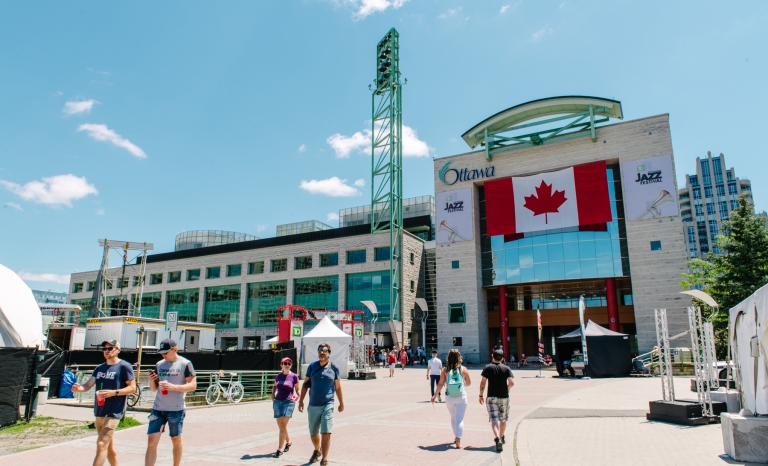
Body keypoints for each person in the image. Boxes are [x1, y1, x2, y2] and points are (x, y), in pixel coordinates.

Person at [71, 339, 135, 466]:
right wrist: (79, 388)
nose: (106, 351)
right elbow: (88, 385)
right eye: (104, 349)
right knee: (108, 447)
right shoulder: (100, 368)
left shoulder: (124, 366)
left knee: (101, 444)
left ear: (118, 350)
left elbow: (132, 388)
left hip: (113, 412)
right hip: (100, 411)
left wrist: (114, 392)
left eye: (110, 348)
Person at [146, 339, 197, 466]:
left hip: (176, 409)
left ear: (175, 349)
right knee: (151, 441)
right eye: (161, 353)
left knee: (176, 439)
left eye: (165, 352)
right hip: (158, 408)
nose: (163, 355)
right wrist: (151, 380)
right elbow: (154, 389)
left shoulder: (185, 363)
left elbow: (193, 386)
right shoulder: (159, 364)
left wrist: (173, 387)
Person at [298, 343, 345, 466]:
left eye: (324, 351)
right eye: (320, 350)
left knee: (326, 431)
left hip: (328, 403)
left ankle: (325, 458)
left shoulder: (334, 368)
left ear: (329, 353)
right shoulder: (312, 366)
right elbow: (306, 384)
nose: (322, 352)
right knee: (313, 433)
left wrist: (341, 403)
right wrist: (301, 400)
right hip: (313, 404)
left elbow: (338, 387)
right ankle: (317, 449)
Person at [431, 349, 471, 449]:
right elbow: (469, 383)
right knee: (460, 418)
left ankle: (455, 435)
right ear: (459, 358)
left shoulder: (445, 370)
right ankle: (458, 440)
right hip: (461, 396)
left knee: (453, 417)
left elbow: (440, 384)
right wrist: (462, 385)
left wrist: (435, 395)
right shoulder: (464, 369)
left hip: (449, 397)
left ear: (448, 359)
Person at [479, 349, 515, 452]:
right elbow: (512, 382)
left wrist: (480, 395)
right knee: (503, 419)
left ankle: (497, 438)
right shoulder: (506, 368)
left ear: (492, 356)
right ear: (503, 358)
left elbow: (482, 383)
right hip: (504, 396)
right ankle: (501, 436)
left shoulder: (487, 368)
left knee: (494, 419)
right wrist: (507, 388)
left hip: (491, 397)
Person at [271, 357, 300, 458]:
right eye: (285, 363)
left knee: (283, 424)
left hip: (289, 402)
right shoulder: (278, 376)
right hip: (278, 402)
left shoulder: (294, 376)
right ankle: (289, 442)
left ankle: (280, 449)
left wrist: (300, 397)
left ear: (291, 365)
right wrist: (273, 393)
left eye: (289, 363)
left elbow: (297, 389)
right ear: (281, 365)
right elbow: (275, 385)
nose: (287, 365)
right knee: (281, 426)